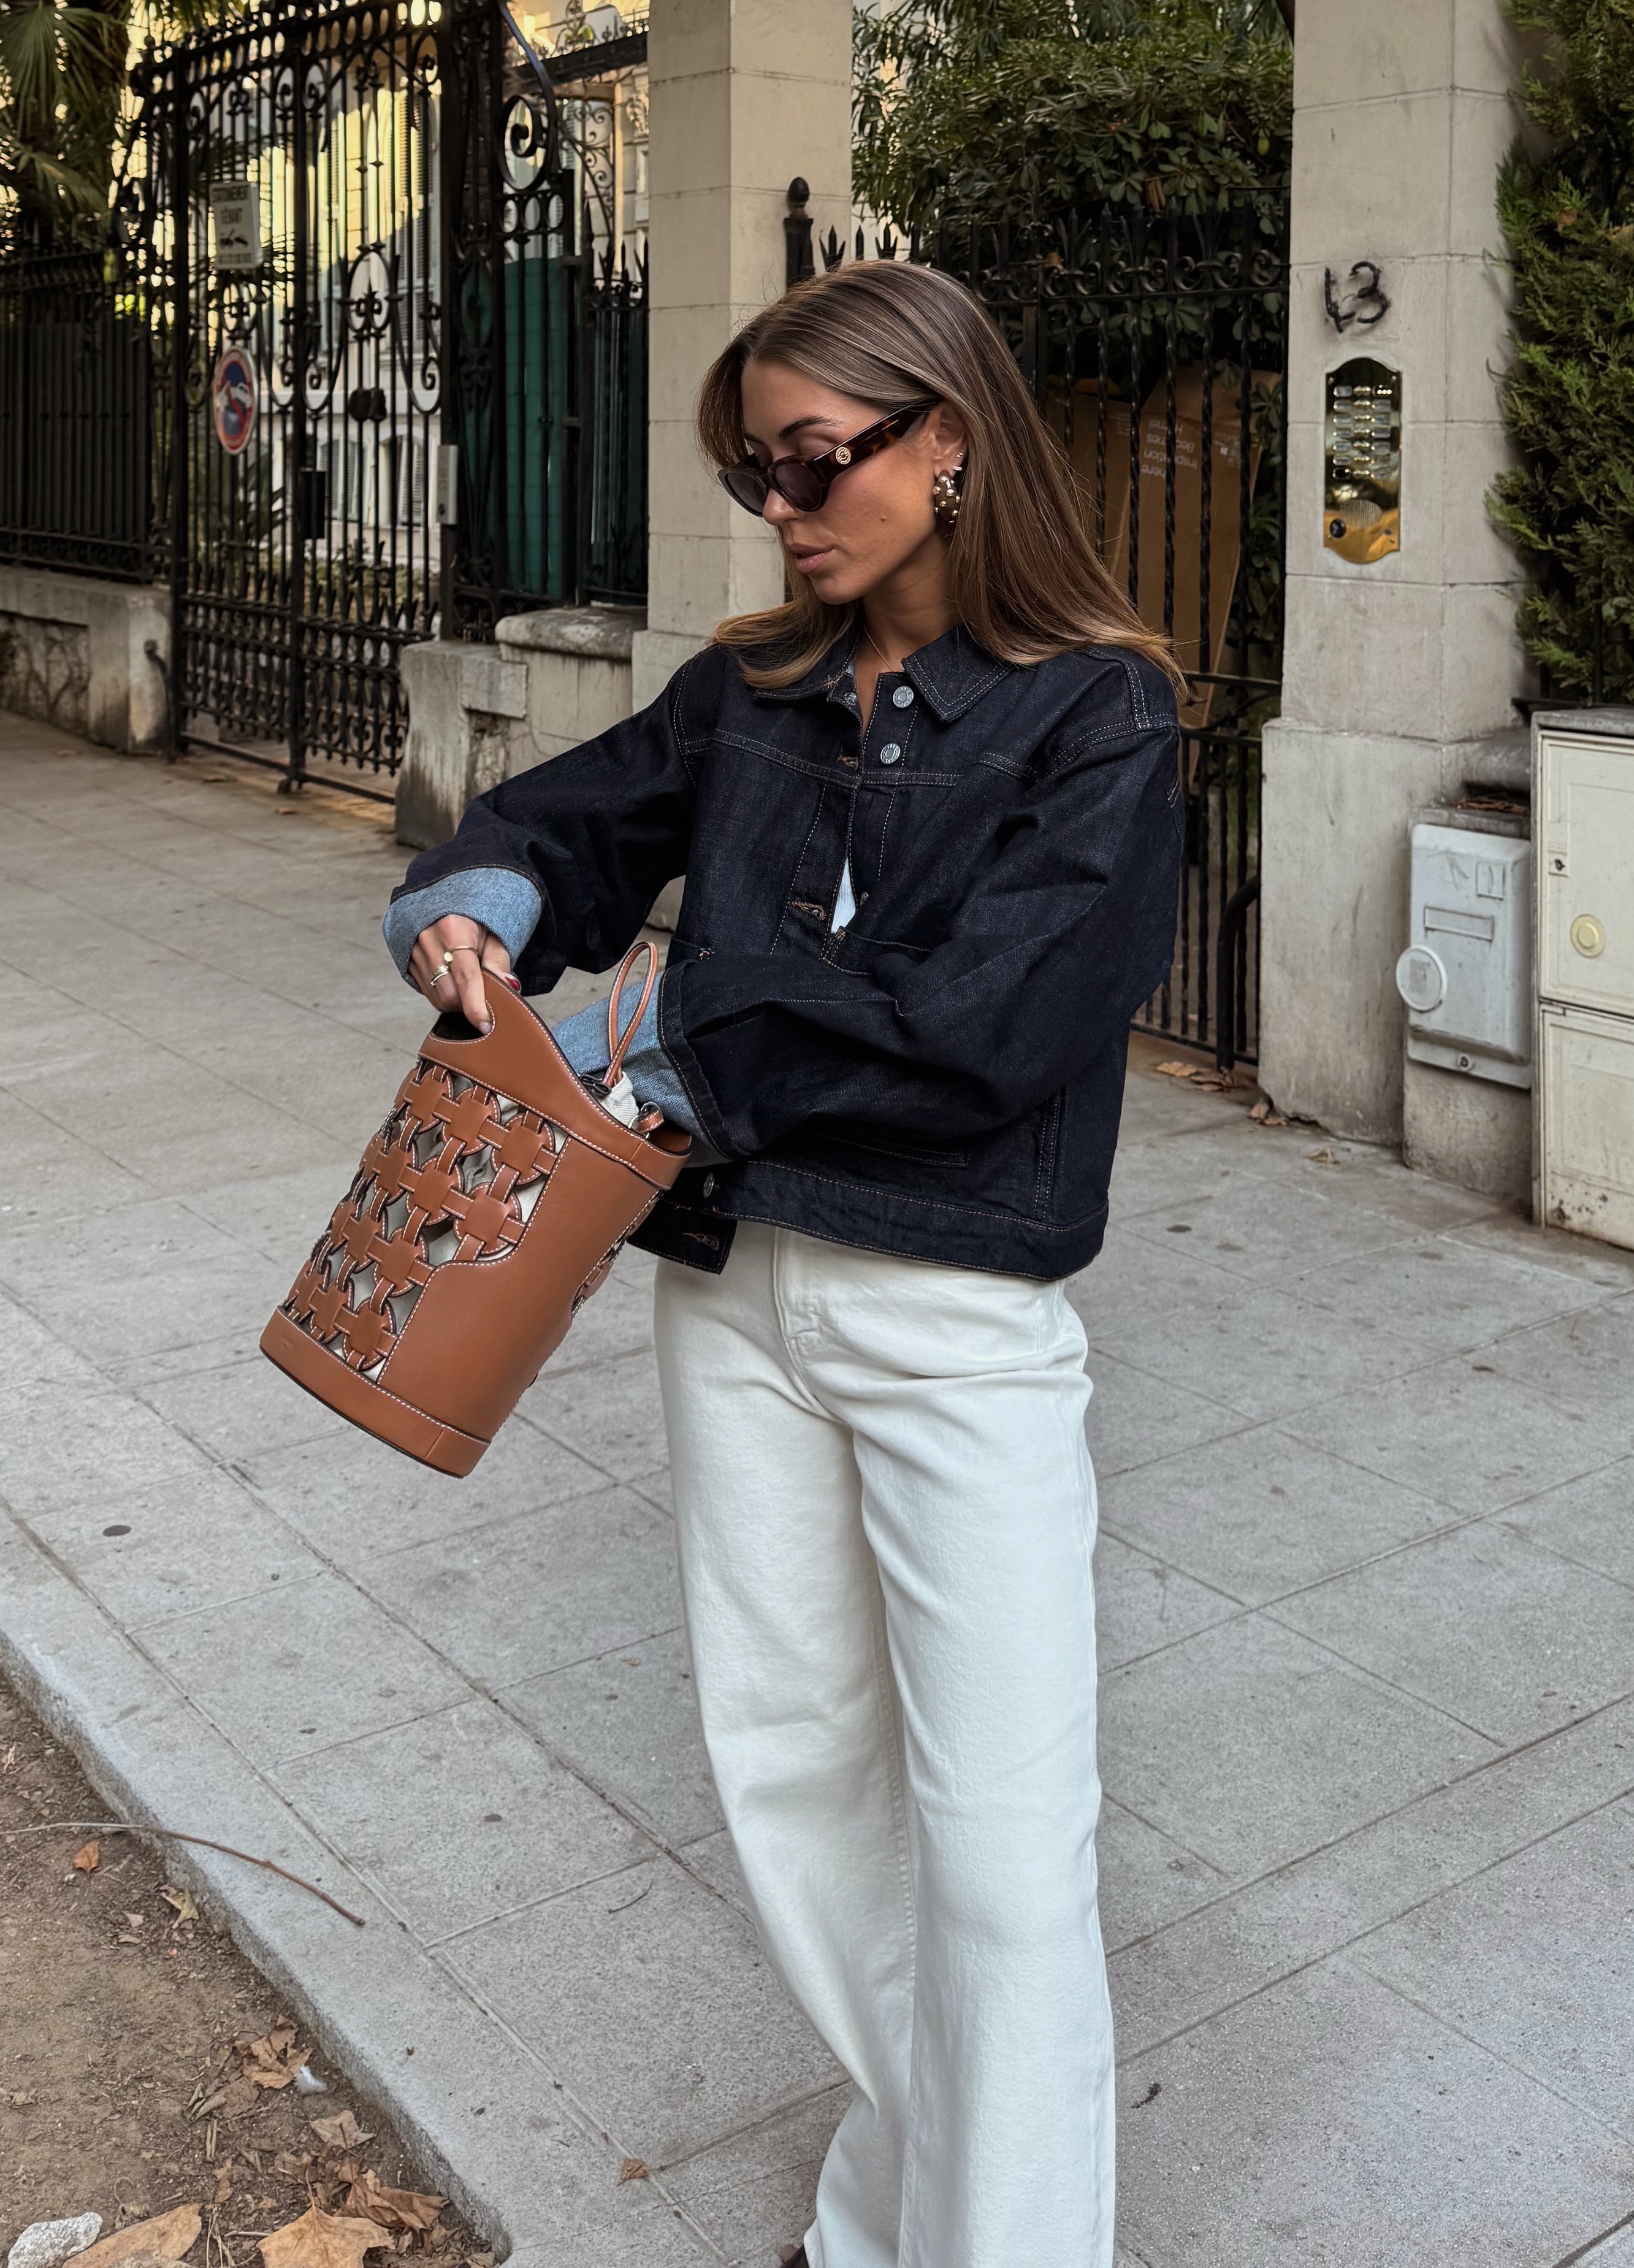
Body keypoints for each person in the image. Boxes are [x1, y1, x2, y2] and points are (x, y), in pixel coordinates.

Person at [388, 258, 1183, 2268]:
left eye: (815, 460)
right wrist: (480, 906)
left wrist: (669, 1022)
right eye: (755, 469)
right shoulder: (746, 690)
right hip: (731, 1295)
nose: (781, 506)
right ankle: (895, 2210)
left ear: (950, 441)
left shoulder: (1097, 711)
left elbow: (987, 1031)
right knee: (796, 1789)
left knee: (1003, 1848)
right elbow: (563, 823)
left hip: (953, 1316)